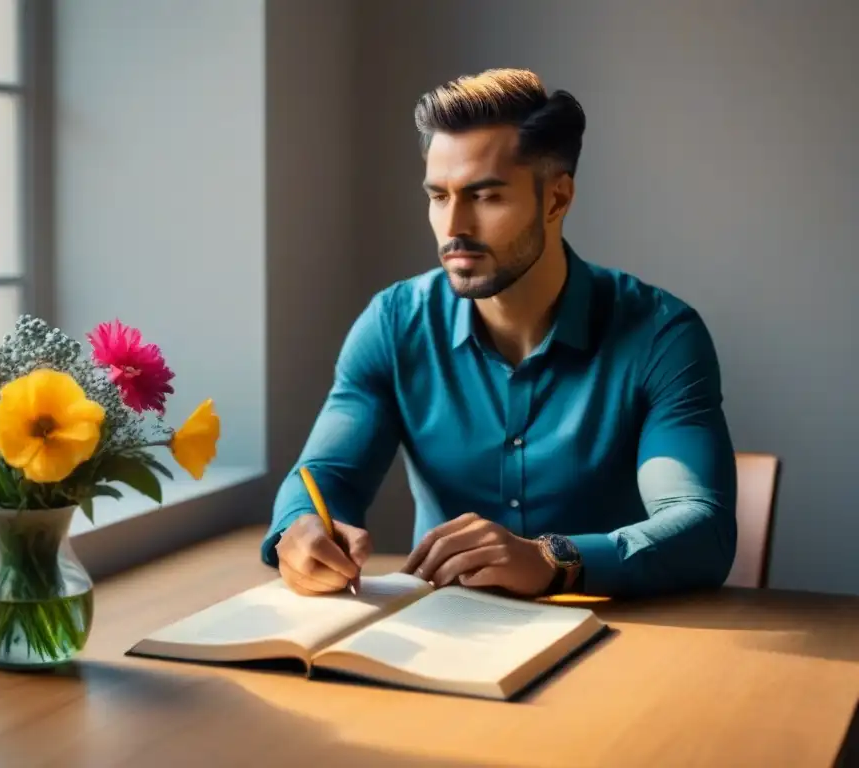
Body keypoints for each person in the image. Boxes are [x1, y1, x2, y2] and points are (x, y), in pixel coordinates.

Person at [261, 68, 737, 599]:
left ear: (556, 200)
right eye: (439, 196)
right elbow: (326, 477)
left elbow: (700, 525)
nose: (454, 225)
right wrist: (300, 529)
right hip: (442, 637)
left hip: (622, 637)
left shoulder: (661, 336)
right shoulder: (394, 324)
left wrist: (551, 558)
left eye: (485, 197)